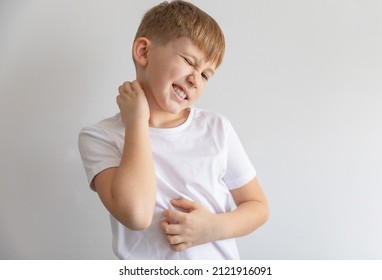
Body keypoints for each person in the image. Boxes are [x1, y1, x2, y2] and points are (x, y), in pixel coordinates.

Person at [78, 0, 269, 260]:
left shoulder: (216, 129)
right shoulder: (100, 137)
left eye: (205, 75)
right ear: (144, 52)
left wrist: (213, 228)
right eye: (190, 61)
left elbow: (257, 207)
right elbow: (136, 214)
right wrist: (137, 122)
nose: (195, 79)